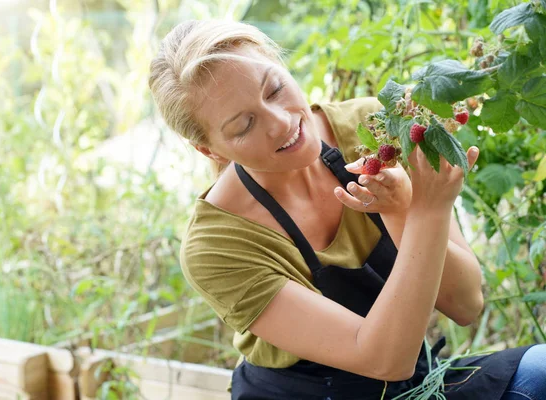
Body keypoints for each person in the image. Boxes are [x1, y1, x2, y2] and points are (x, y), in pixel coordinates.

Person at [148, 19, 546, 400]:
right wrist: (428, 212)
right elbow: (384, 359)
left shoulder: (372, 128)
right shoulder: (217, 245)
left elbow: (466, 304)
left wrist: (402, 211)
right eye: (244, 125)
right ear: (210, 149)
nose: (282, 121)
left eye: (274, 90)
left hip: (417, 386)